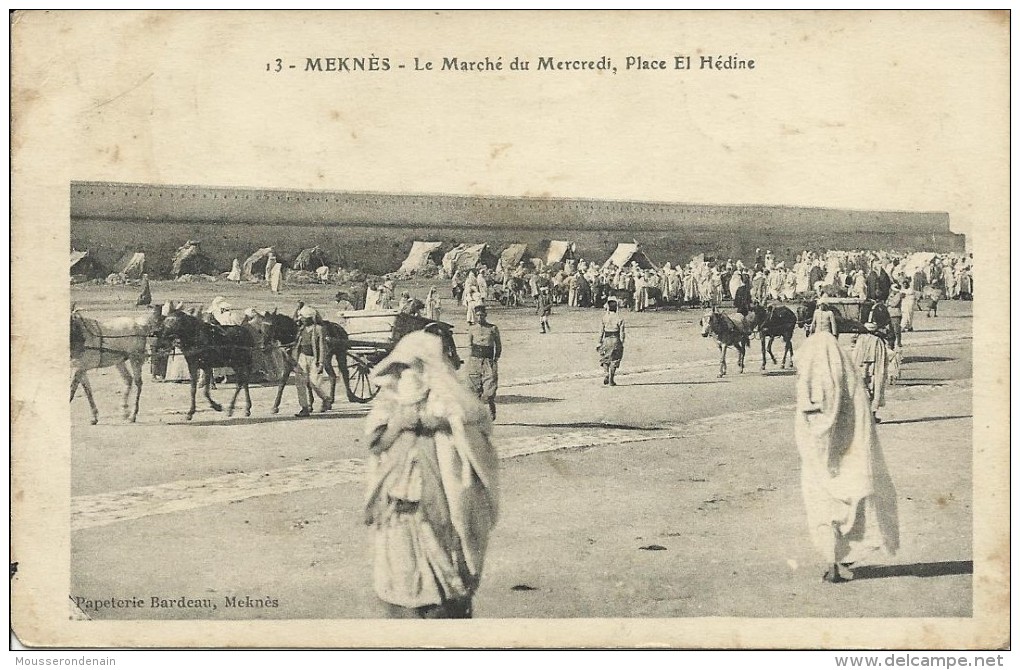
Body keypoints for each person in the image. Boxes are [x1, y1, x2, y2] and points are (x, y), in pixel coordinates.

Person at [363, 331, 499, 619]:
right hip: (400, 498)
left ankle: (446, 602)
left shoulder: (449, 399)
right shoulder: (389, 401)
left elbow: (475, 428)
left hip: (438, 497)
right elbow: (377, 443)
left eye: (414, 367)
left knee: (443, 558)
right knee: (401, 569)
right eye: (402, 368)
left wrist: (438, 424)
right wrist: (398, 425)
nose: (407, 374)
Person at [794, 331, 899, 583]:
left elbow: (813, 412)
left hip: (820, 458)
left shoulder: (811, 375)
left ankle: (833, 561)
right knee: (849, 502)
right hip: (849, 456)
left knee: (823, 505)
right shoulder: (847, 377)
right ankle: (841, 559)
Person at [291, 305, 331, 416]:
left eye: (303, 317)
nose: (301, 319)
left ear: (309, 318)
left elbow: (322, 346)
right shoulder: (301, 329)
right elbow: (297, 344)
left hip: (314, 359)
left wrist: (321, 362)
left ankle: (325, 398)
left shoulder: (318, 329)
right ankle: (304, 407)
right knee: (300, 383)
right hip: (302, 358)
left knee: (314, 383)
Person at [466, 304, 501, 420]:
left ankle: (491, 408)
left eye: (482, 315)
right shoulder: (472, 329)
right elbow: (470, 345)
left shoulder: (493, 328)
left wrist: (495, 358)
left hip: (488, 361)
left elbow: (498, 345)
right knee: (474, 390)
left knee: (489, 389)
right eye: (477, 315)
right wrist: (472, 359)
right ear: (475, 316)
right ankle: (477, 415)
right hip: (475, 360)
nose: (480, 317)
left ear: (485, 315)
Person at [849, 324, 889, 423]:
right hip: (874, 369)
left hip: (862, 368)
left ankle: (863, 416)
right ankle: (871, 415)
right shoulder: (878, 341)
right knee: (874, 391)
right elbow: (883, 358)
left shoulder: (861, 339)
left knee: (863, 391)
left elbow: (855, 354)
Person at [598, 298, 626, 386]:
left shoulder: (604, 317)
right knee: (615, 359)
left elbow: (601, 331)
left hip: (606, 339)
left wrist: (599, 342)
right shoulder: (620, 318)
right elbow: (622, 332)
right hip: (615, 338)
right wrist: (621, 342)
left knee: (605, 358)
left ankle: (606, 373)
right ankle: (611, 379)